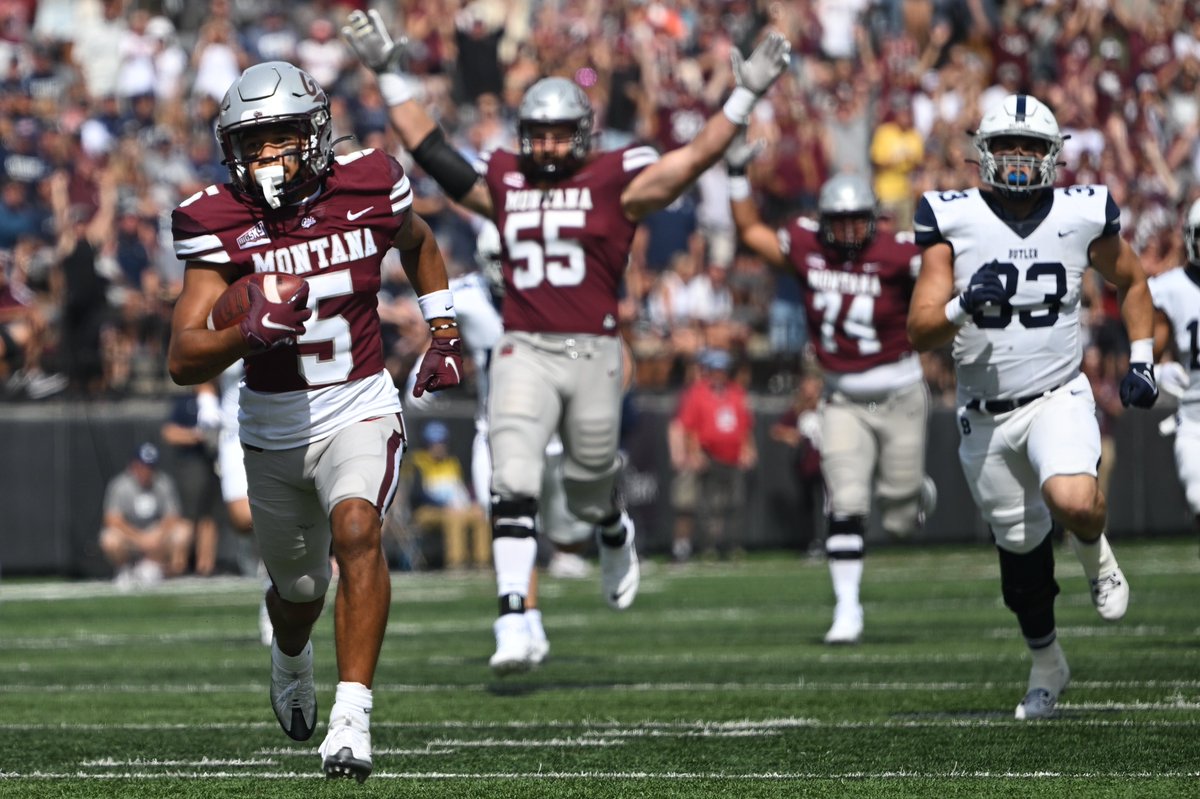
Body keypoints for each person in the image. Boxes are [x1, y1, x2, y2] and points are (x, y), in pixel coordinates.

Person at [343, 10, 790, 667]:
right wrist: (388, 75)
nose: (547, 147)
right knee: (514, 476)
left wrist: (744, 95)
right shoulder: (508, 178)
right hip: (525, 347)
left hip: (594, 352)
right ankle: (512, 621)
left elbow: (693, 158)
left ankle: (612, 528)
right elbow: (435, 153)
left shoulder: (615, 178)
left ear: (583, 134)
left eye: (559, 135)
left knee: (585, 488)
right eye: (538, 135)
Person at [166, 61, 463, 782]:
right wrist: (247, 331)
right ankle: (291, 652)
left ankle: (353, 715)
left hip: (359, 400)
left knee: (358, 527)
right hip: (272, 423)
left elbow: (418, 242)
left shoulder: (368, 182)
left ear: (316, 135)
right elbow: (182, 355)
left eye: (280, 138)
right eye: (252, 142)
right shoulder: (216, 218)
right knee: (298, 592)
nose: (266, 157)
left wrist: (443, 330)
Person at [907, 94, 1159, 720]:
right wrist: (965, 303)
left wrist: (1145, 357)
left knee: (1073, 499)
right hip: (984, 412)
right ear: (982, 153)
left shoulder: (1081, 212)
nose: (1018, 159)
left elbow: (1132, 280)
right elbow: (920, 329)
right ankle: (1047, 662)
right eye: (1005, 146)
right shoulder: (951, 217)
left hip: (1057, 393)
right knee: (1021, 567)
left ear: (1053, 156)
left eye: (1031, 148)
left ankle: (1098, 559)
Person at [727, 162, 937, 644]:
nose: (845, 230)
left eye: (855, 219)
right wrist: (739, 174)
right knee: (845, 502)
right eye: (837, 221)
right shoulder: (806, 245)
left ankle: (912, 493)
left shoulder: (899, 251)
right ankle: (847, 609)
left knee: (901, 521)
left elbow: (948, 278)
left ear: (874, 217)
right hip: (841, 395)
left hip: (900, 393)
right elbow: (751, 232)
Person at [669, 348, 757, 561]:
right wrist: (693, 452)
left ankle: (733, 545)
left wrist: (749, 449)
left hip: (733, 457)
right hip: (709, 456)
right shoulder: (697, 393)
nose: (719, 374)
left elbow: (745, 426)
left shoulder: (737, 393)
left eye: (723, 370)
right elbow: (687, 426)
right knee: (708, 506)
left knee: (735, 503)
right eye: (715, 370)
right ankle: (709, 547)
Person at [1147, 197, 1200, 533]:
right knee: (1198, 498)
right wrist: (1156, 372)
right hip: (1195, 421)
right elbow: (1144, 358)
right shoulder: (1170, 289)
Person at [98, 442, 190, 590]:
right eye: (142, 466)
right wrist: (139, 538)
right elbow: (112, 519)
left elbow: (172, 516)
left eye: (150, 467)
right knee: (109, 538)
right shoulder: (120, 485)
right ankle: (125, 570)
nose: (146, 471)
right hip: (131, 535)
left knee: (183, 530)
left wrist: (156, 535)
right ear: (133, 465)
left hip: (156, 535)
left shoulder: (163, 482)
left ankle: (163, 571)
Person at [404, 420, 491, 570]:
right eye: (435, 443)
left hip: (455, 507)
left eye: (442, 443)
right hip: (426, 510)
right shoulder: (417, 462)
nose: (439, 447)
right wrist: (443, 505)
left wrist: (472, 503)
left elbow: (461, 489)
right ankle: (456, 564)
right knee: (454, 518)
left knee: (480, 516)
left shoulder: (452, 462)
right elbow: (417, 494)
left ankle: (482, 563)